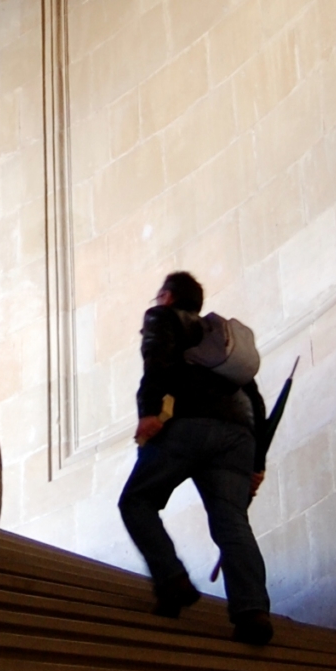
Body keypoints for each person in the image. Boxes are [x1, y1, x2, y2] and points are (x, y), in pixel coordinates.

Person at [117, 269, 274, 646]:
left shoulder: (163, 318)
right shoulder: (220, 339)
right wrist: (257, 463)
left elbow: (157, 361)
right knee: (232, 524)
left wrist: (150, 411)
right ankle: (252, 613)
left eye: (159, 296)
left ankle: (172, 581)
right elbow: (255, 401)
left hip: (188, 426)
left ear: (168, 297)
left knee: (136, 500)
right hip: (238, 438)